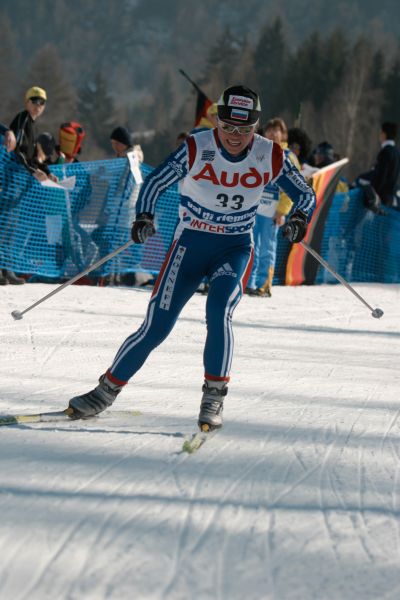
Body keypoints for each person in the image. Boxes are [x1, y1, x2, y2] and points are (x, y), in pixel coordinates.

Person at [67, 85, 316, 432]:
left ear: (254, 129)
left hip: (234, 248)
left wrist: (299, 219)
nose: (234, 137)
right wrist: (144, 217)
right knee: (156, 326)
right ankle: (105, 391)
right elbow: (155, 182)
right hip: (189, 248)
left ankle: (214, 396)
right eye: (228, 127)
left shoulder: (269, 154)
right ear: (218, 122)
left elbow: (305, 194)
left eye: (244, 131)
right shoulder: (198, 146)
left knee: (218, 312)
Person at [247, 117, 301, 297]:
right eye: (269, 130)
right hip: (255, 207)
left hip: (272, 210)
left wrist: (282, 211)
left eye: (276, 130)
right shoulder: (259, 151)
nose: (272, 133)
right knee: (250, 245)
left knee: (267, 248)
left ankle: (264, 285)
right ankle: (248, 282)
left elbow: (293, 187)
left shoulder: (288, 156)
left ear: (283, 134)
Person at [356, 122, 400, 208]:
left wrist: (374, 194)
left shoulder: (386, 151)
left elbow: (381, 176)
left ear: (384, 134)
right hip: (390, 197)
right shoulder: (396, 152)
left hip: (381, 198)